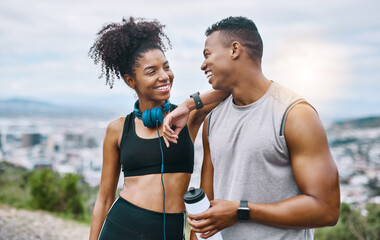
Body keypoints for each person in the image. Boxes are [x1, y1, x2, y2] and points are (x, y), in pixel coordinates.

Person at [163, 16, 340, 240]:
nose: (202, 64)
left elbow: (326, 209)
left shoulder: (295, 115)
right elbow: (204, 212)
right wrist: (190, 104)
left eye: (207, 55)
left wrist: (240, 211)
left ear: (235, 49)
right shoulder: (213, 120)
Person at [88, 17, 230, 240]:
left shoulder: (188, 118)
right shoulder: (117, 129)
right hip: (121, 229)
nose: (164, 76)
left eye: (166, 67)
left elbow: (231, 88)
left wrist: (189, 104)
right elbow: (104, 199)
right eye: (151, 71)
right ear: (130, 81)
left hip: (170, 232)